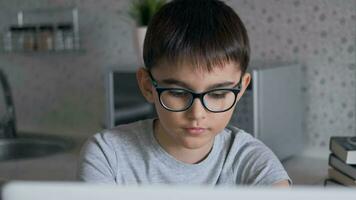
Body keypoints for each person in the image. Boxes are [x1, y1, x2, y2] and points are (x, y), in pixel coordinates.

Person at [78, 0, 290, 186]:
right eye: (178, 93)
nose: (197, 114)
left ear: (241, 89)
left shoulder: (252, 161)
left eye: (217, 94)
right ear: (147, 86)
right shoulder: (107, 155)